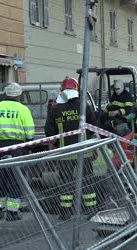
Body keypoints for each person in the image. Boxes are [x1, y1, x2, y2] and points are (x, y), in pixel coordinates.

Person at [45, 77, 97, 219]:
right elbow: (93, 125)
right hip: (84, 152)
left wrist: (57, 144)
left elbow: (49, 131)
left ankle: (65, 212)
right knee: (87, 180)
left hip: (65, 153)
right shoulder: (83, 106)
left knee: (66, 182)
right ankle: (91, 209)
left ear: (62, 90)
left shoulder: (55, 109)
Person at [0, 82, 35, 221]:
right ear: (19, 95)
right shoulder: (23, 109)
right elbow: (30, 133)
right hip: (17, 147)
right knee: (15, 179)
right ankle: (12, 212)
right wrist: (28, 146)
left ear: (6, 94)